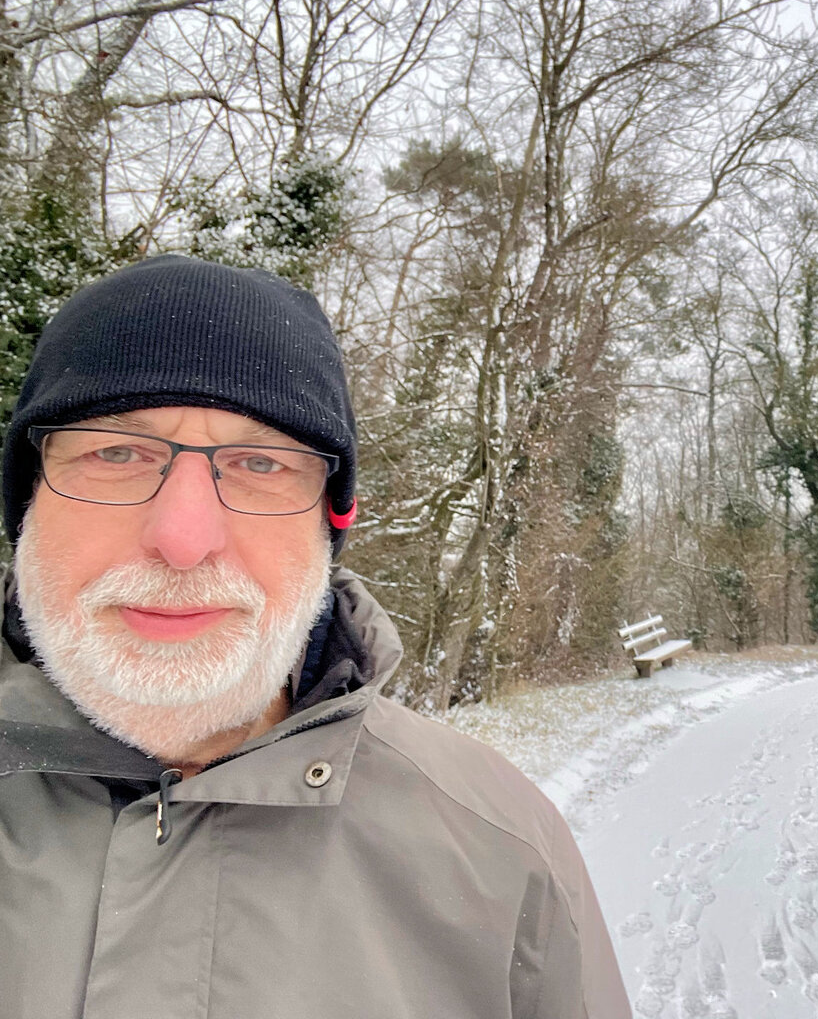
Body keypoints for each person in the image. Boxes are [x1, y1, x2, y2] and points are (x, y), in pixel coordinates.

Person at [0, 256, 631, 1018]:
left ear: (328, 526)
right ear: (26, 505)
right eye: (115, 453)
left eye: (260, 463)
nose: (183, 540)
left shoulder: (502, 848)